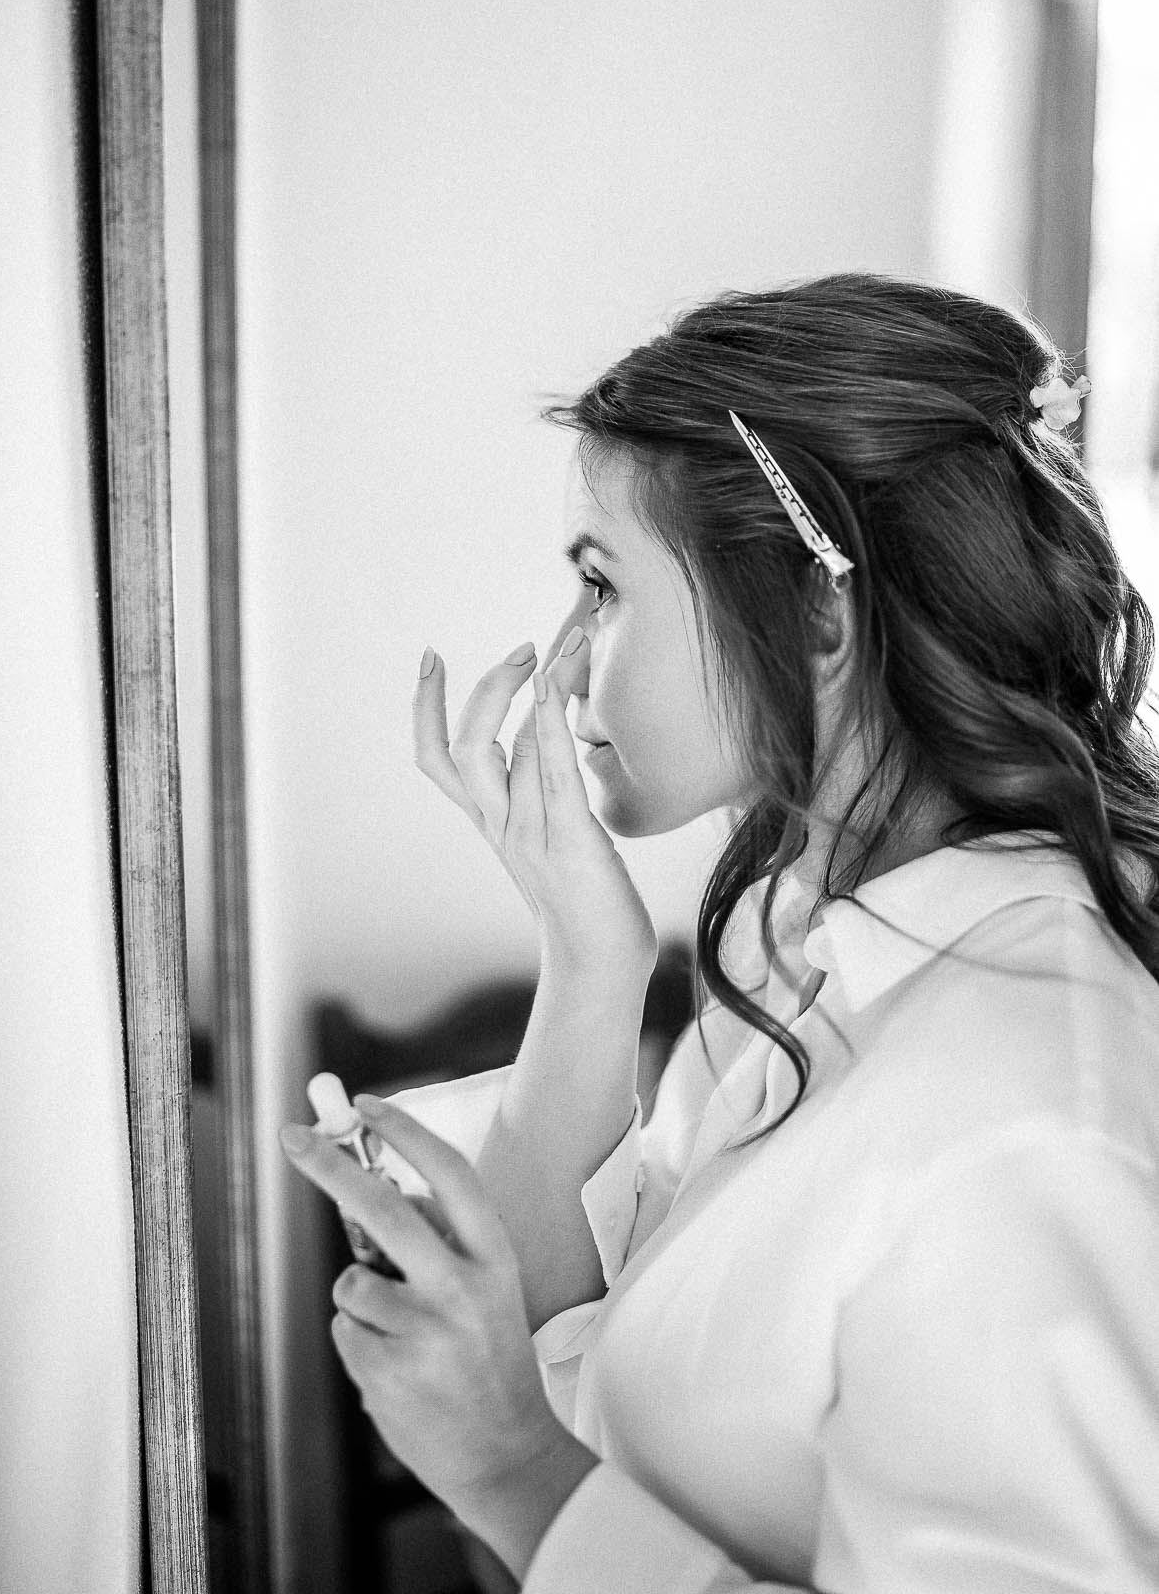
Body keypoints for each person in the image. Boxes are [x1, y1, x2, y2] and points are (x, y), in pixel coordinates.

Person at [281, 273, 1159, 1592]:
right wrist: (588, 962)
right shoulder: (793, 942)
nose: (564, 663)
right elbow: (586, 1344)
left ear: (817, 610)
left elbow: (539, 1457)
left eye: (604, 588)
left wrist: (512, 1474)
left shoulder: (1025, 1124)